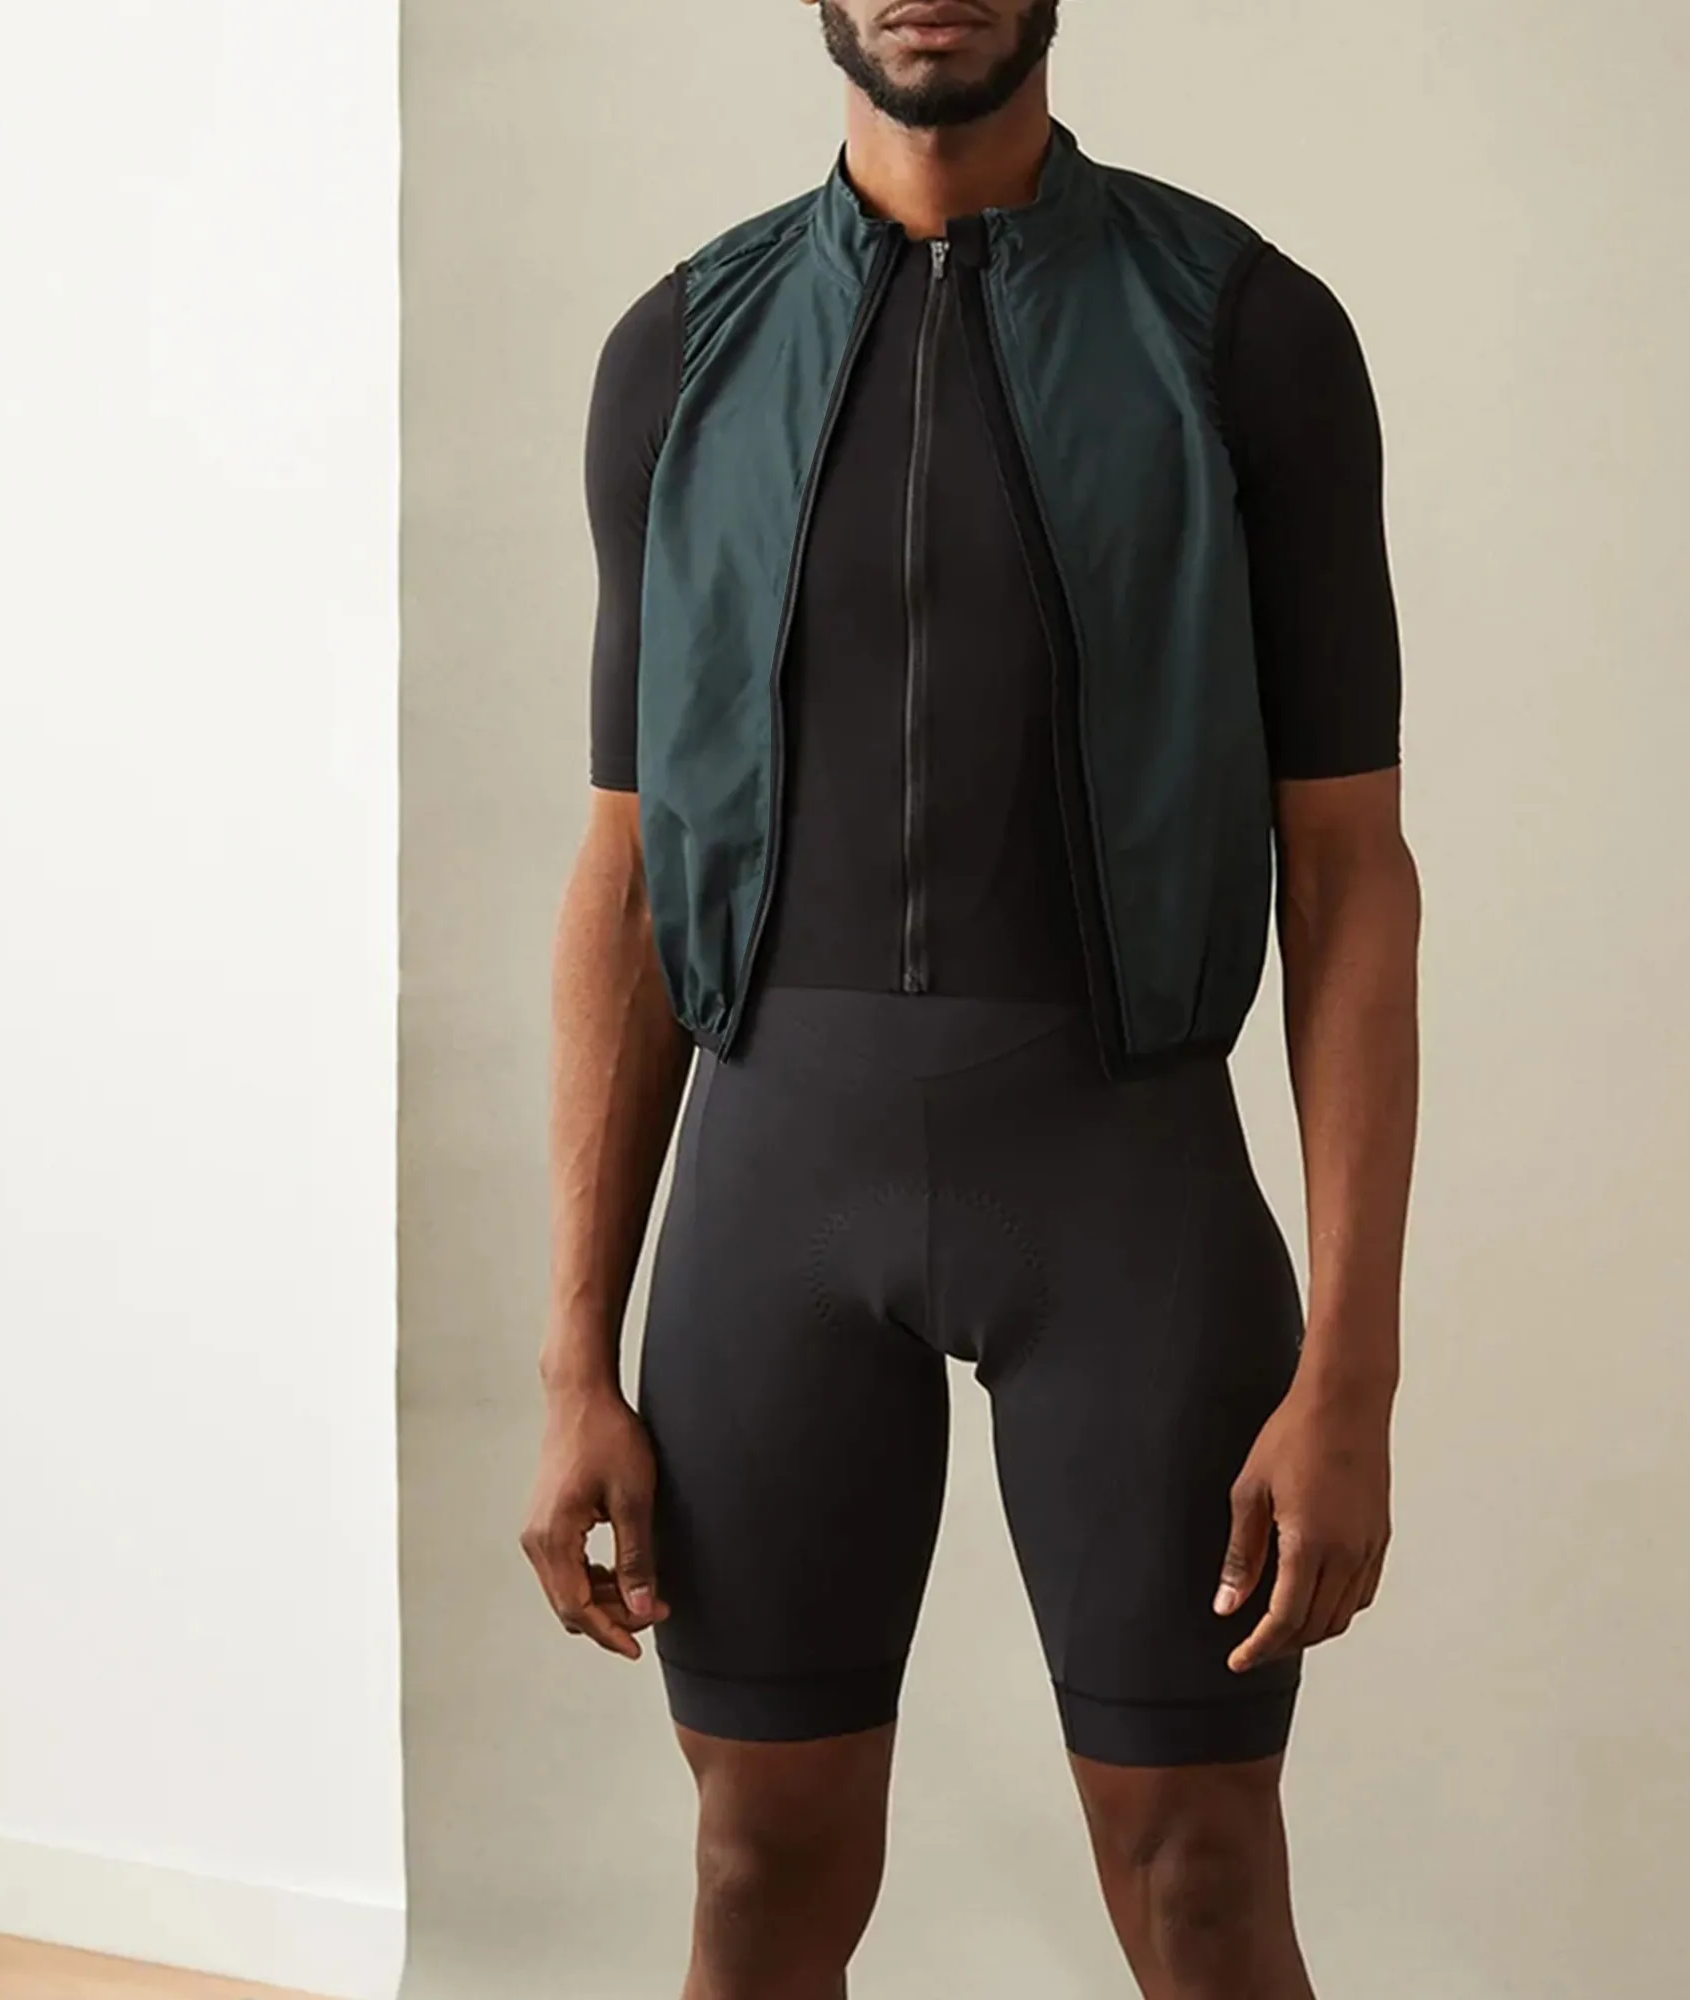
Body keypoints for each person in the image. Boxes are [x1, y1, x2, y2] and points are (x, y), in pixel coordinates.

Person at [521, 2, 1421, 1993]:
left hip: (1124, 1199)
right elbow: (628, 871)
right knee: (754, 1868)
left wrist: (1350, 1371)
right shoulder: (681, 354)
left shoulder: (1244, 335)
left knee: (1198, 1875)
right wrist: (574, 1353)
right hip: (771, 1205)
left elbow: (1352, 872)